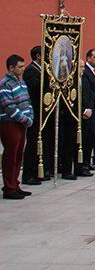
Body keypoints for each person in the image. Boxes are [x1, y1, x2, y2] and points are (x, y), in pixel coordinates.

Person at [1, 54, 34, 199]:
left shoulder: (21, 82)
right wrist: (25, 119)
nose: (22, 69)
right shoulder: (5, 84)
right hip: (10, 123)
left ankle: (15, 184)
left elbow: (27, 101)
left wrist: (30, 116)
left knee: (19, 154)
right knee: (11, 155)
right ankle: (9, 188)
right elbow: (9, 106)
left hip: (22, 123)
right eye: (20, 67)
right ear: (11, 67)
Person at [22, 46, 50, 185]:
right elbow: (38, 88)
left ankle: (38, 171)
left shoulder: (41, 69)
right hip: (35, 111)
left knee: (41, 143)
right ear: (39, 56)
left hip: (43, 112)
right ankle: (28, 174)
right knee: (33, 143)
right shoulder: (31, 71)